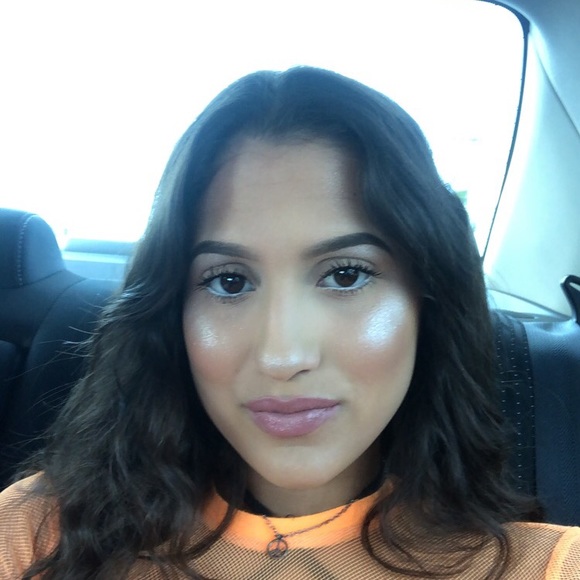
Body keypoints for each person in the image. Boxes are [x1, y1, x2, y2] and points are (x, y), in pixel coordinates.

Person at [0, 66, 578, 579]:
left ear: (429, 299)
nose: (282, 355)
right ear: (173, 310)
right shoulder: (38, 534)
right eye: (229, 282)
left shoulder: (547, 566)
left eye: (346, 275)